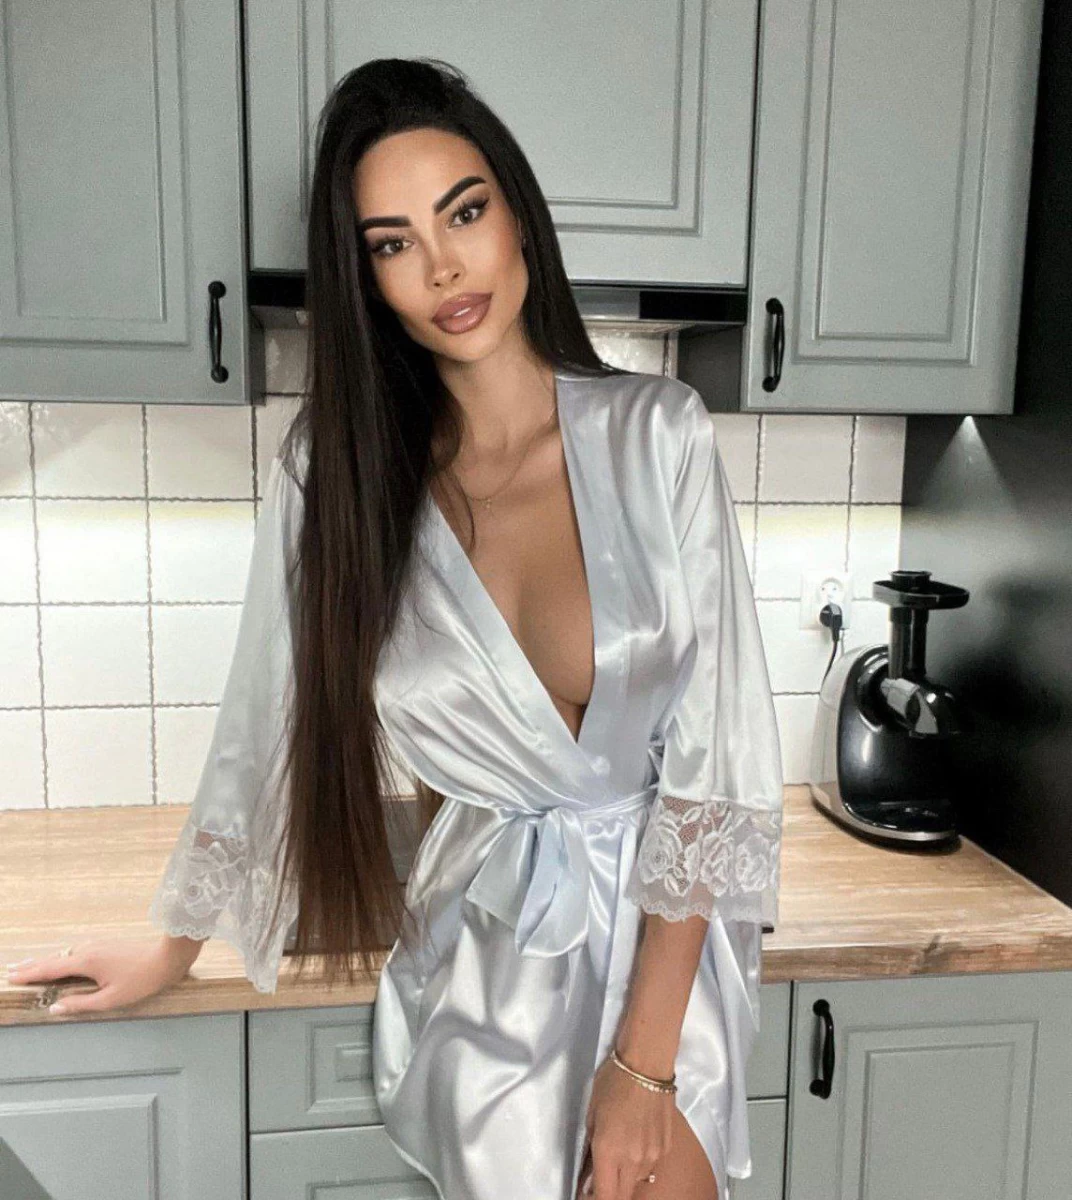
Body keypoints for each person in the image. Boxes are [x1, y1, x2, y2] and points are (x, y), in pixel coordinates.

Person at [5, 58, 783, 1200]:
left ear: (517, 216)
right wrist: (173, 944)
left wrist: (643, 1069)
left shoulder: (658, 434)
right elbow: (268, 721)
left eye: (464, 213)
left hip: (660, 965)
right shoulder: (339, 477)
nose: (443, 267)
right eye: (392, 242)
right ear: (365, 277)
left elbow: (715, 766)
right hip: (480, 960)